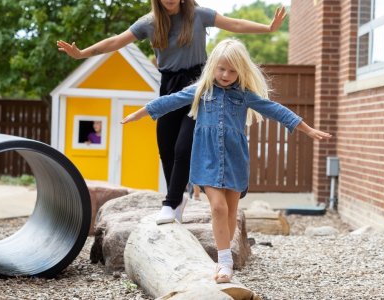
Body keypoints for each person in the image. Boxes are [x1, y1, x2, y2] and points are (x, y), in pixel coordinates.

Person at [58, 0, 287, 225]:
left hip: (198, 85)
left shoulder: (199, 15)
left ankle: (170, 202)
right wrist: (82, 54)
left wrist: (267, 28)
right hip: (169, 84)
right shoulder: (149, 23)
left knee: (183, 147)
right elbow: (117, 41)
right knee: (166, 148)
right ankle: (177, 202)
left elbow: (234, 24)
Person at [121, 39, 332, 283]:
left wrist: (307, 129)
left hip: (235, 159)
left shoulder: (244, 95)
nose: (226, 75)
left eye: (232, 71)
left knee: (231, 212)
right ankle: (224, 263)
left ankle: (225, 257)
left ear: (241, 71)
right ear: (213, 66)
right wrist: (139, 114)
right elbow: (170, 100)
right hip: (207, 158)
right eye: (222, 69)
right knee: (218, 207)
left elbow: (275, 110)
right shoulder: (201, 91)